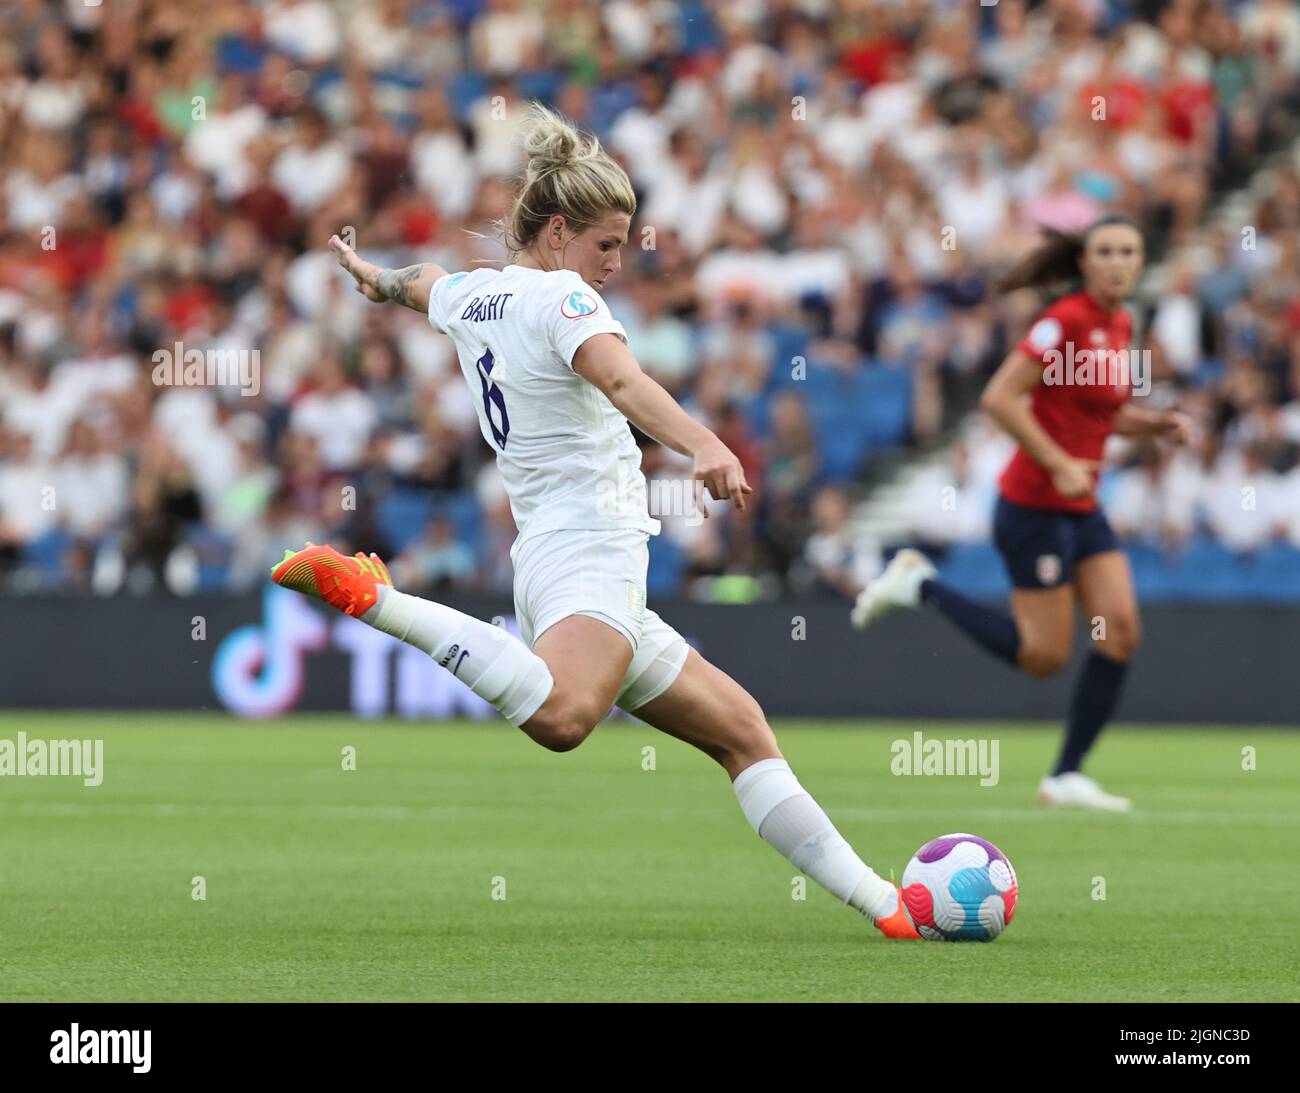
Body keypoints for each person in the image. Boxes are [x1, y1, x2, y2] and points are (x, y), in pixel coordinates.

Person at [272, 103, 920, 938]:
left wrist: (375, 277)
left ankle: (888, 907)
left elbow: (423, 283)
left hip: (552, 557)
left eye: (622, 244)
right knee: (565, 718)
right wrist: (704, 442)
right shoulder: (563, 300)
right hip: (592, 547)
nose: (616, 263)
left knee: (742, 732)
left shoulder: (477, 295)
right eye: (604, 244)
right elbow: (622, 382)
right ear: (553, 233)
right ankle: (377, 598)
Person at [853, 215, 1191, 811]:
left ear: (1140, 262)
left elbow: (1101, 413)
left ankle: (1065, 775)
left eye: (1129, 251)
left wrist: (1154, 423)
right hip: (1033, 506)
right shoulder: (1061, 322)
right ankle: (921, 583)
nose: (1118, 261)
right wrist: (1057, 461)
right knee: (1045, 658)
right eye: (1106, 251)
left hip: (1081, 505)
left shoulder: (1120, 323)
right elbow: (999, 399)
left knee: (1120, 633)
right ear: (1084, 263)